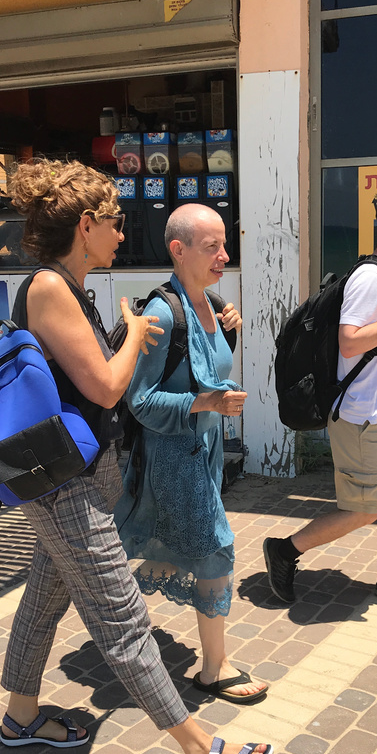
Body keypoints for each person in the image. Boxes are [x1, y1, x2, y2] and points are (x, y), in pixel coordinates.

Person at [0, 160, 272, 754]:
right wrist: (137, 333)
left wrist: (136, 330)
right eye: (116, 222)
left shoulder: (69, 287)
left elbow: (89, 381)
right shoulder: (50, 288)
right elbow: (108, 386)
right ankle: (202, 752)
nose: (123, 233)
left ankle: (20, 716)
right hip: (66, 485)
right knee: (123, 619)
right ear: (86, 225)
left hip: (75, 473)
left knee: (43, 600)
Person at [263, 178, 377, 605]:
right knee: (363, 509)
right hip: (362, 417)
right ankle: (284, 550)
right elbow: (350, 342)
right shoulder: (370, 278)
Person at [115, 205, 268, 704]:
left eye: (225, 245)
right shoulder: (162, 314)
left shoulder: (212, 305)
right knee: (215, 548)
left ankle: (119, 622)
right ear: (178, 250)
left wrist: (229, 332)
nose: (224, 256)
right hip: (174, 456)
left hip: (204, 452)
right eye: (211, 247)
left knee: (182, 544)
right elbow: (140, 401)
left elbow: (204, 368)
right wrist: (206, 403)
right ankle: (213, 668)